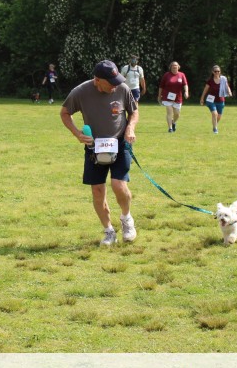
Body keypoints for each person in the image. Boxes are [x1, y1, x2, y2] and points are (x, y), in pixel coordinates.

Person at [60, 60, 139, 246]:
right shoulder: (81, 92)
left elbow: (134, 112)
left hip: (120, 143)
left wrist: (130, 128)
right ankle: (109, 231)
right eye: (111, 82)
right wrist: (77, 133)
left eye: (117, 81)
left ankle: (127, 218)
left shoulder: (122, 89)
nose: (115, 85)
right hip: (94, 147)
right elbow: (64, 113)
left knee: (118, 185)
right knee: (97, 191)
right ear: (97, 80)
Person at [200, 64, 232, 134]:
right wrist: (202, 98)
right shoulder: (210, 81)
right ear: (213, 72)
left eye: (218, 71)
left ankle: (214, 125)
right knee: (214, 113)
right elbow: (205, 90)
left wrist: (229, 92)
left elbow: (227, 87)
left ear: (220, 72)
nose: (217, 72)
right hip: (211, 100)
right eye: (215, 71)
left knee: (219, 116)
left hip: (220, 100)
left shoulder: (223, 79)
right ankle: (215, 129)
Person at [157, 61, 188, 133]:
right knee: (169, 112)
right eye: (173, 66)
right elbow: (161, 86)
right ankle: (170, 128)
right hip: (167, 97)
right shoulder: (166, 75)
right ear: (170, 67)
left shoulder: (181, 75)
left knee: (177, 114)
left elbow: (185, 84)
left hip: (178, 98)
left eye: (176, 65)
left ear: (178, 67)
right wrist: (159, 96)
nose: (174, 67)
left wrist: (186, 92)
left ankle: (173, 122)